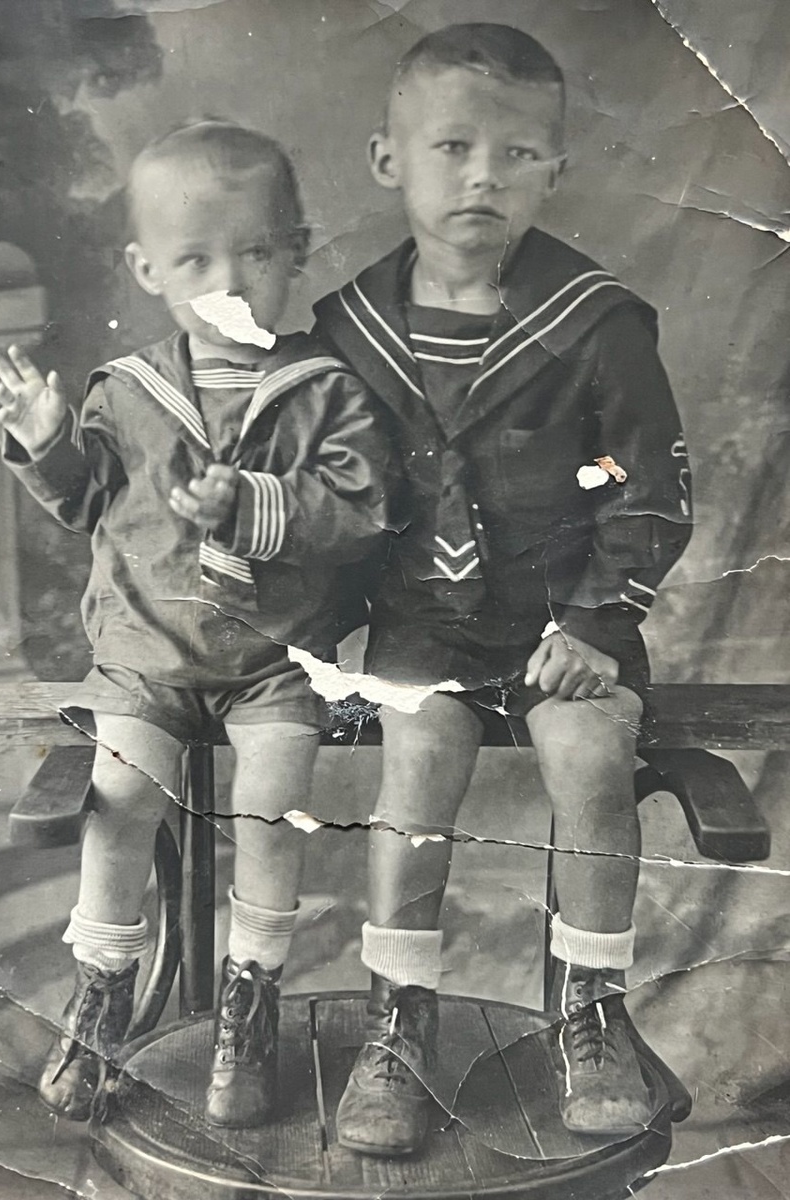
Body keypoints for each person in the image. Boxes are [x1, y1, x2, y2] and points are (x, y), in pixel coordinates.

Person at [313, 24, 693, 1156]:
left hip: (563, 624)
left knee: (589, 756)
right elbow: (330, 499)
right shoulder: (349, 330)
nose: (484, 175)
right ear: (388, 159)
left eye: (518, 154)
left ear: (556, 171)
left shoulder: (595, 323)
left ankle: (591, 1012)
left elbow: (647, 482)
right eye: (454, 147)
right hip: (422, 629)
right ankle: (399, 1017)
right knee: (419, 763)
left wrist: (598, 620)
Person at [0, 118, 394, 1130]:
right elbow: (85, 502)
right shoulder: (126, 392)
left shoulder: (326, 392)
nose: (229, 282)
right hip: (146, 657)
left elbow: (364, 511)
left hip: (274, 661)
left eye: (255, 253)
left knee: (270, 802)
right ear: (146, 271)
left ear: (297, 251)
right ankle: (102, 995)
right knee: (122, 795)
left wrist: (256, 503)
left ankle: (248, 1006)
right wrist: (46, 442)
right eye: (195, 261)